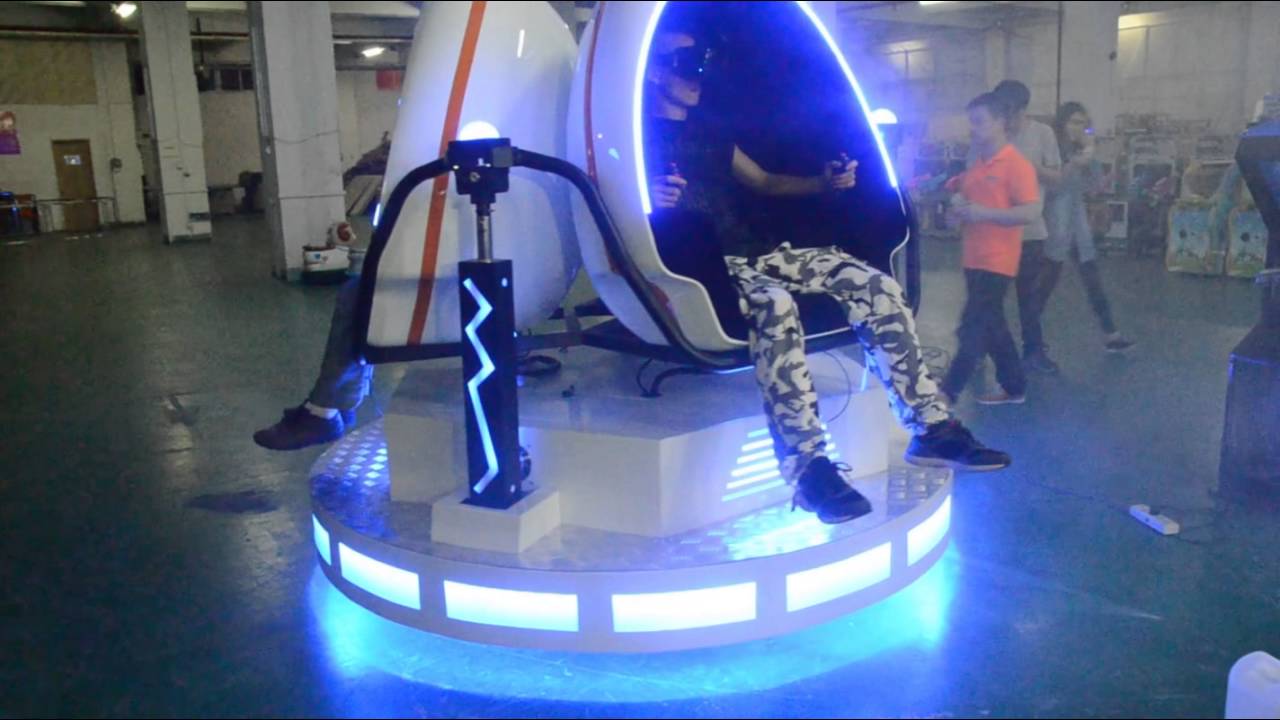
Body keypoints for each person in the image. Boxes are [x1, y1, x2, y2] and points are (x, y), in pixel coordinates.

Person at [645, 27, 1011, 525]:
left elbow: (765, 181)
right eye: (684, 65)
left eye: (701, 64)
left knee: (874, 284)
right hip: (700, 263)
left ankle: (930, 427)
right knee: (775, 305)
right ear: (655, 72)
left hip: (758, 253)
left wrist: (824, 182)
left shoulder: (711, 135)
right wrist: (652, 203)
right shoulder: (636, 139)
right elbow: (621, 201)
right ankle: (808, 468)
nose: (696, 76)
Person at [941, 93, 1041, 406]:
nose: (974, 128)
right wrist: (956, 216)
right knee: (993, 325)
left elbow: (1030, 211)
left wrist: (983, 213)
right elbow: (965, 214)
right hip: (974, 258)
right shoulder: (975, 168)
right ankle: (1014, 386)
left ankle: (948, 390)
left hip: (997, 261)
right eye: (971, 122)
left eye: (980, 121)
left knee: (972, 326)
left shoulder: (1017, 166)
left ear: (1000, 122)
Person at [973, 81, 1063, 374]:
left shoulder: (1042, 134)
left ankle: (1033, 352)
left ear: (1023, 109)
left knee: (1029, 300)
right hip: (993, 234)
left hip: (1030, 233)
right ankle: (979, 350)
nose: (1005, 119)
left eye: (1009, 113)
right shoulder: (987, 135)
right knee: (988, 301)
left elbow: (1057, 178)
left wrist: (1029, 167)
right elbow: (971, 178)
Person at [1038, 102, 1135, 354]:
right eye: (1073, 122)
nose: (1078, 128)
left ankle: (1111, 334)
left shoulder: (1081, 151)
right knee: (1045, 284)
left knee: (1092, 280)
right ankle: (1031, 336)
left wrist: (1096, 160)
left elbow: (1094, 186)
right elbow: (1052, 187)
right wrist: (1077, 162)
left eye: (1082, 123)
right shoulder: (1051, 149)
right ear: (1062, 123)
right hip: (1054, 224)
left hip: (1077, 225)